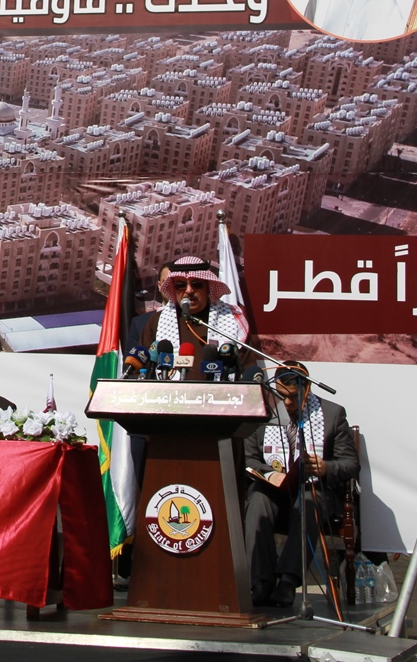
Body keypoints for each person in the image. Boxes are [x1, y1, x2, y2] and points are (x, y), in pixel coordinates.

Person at [242, 361, 359, 607]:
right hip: (276, 491)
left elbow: (350, 464)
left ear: (306, 391)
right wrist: (269, 474)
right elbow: (249, 458)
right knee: (258, 497)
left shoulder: (333, 414)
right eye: (281, 396)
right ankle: (261, 582)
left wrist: (326, 467)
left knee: (308, 501)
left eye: (292, 397)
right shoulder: (263, 413)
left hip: (315, 490)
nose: (286, 403)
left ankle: (287, 581)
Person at [137, 256, 248, 352]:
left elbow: (248, 365)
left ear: (208, 287)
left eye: (197, 284)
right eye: (181, 285)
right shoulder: (156, 321)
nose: (189, 290)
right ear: (173, 289)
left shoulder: (231, 318)